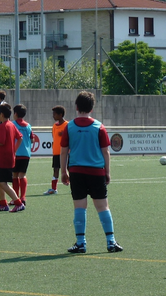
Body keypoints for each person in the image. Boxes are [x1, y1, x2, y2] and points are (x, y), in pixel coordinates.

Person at [60, 91, 122, 254]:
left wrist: (63, 172)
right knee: (103, 206)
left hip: (76, 172)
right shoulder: (99, 127)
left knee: (79, 207)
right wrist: (107, 171)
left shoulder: (69, 127)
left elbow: (64, 151)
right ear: (92, 108)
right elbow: (105, 151)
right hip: (96, 172)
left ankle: (81, 243)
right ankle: (111, 242)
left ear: (76, 107)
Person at [0, 103, 24, 212]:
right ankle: (3, 204)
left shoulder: (3, 126)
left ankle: (18, 203)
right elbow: (20, 138)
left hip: (5, 159)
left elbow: (1, 142)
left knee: (3, 182)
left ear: (1, 114)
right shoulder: (11, 124)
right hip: (5, 158)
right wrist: (14, 150)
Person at [11, 104, 39, 206]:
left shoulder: (12, 124)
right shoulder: (28, 126)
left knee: (14, 175)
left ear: (16, 114)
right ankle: (23, 197)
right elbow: (32, 139)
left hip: (16, 153)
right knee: (22, 175)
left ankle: (15, 198)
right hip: (26, 154)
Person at [44, 105, 67, 195]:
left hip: (66, 152)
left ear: (60, 114)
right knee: (56, 170)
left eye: (55, 114)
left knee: (70, 169)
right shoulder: (54, 125)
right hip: (56, 152)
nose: (53, 116)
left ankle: (75, 187)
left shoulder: (67, 125)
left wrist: (64, 134)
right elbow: (54, 137)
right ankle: (54, 189)